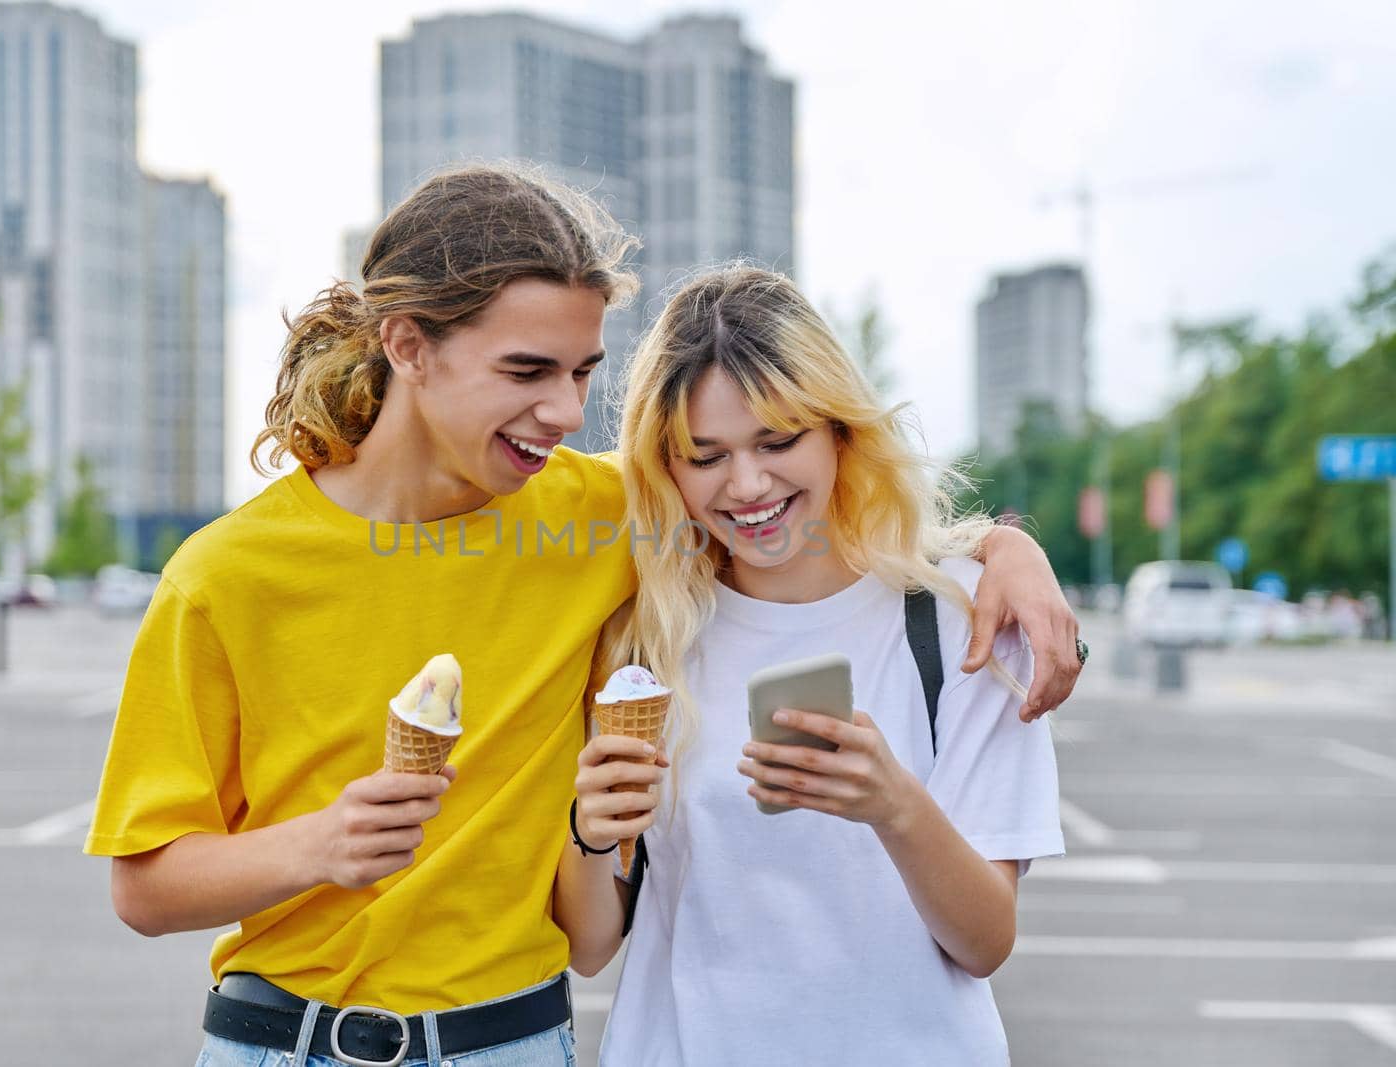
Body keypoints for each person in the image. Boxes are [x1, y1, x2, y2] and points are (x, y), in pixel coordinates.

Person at [84, 165, 1079, 1067]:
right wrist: (318, 843)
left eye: (583, 372)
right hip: (282, 1041)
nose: (564, 411)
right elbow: (144, 887)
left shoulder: (605, 515)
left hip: (513, 1039)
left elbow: (803, 508)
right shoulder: (225, 575)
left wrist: (1005, 546)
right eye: (527, 371)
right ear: (406, 345)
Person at [562, 266, 1067, 1065]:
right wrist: (590, 831)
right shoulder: (645, 635)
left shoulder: (965, 620)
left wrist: (895, 805)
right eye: (707, 455)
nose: (749, 484)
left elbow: (985, 941)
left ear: (839, 429)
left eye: (777, 440)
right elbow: (592, 945)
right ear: (666, 465)